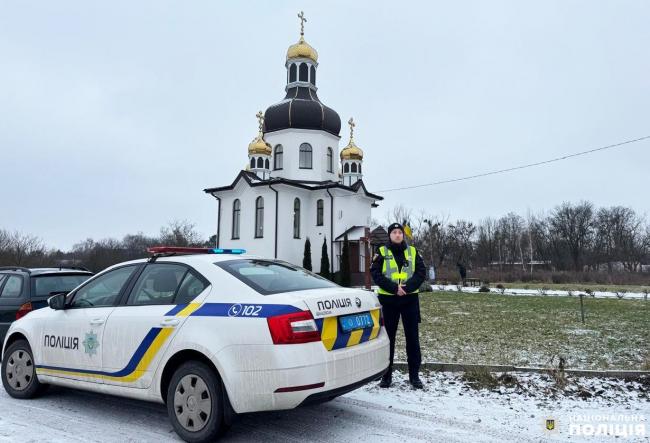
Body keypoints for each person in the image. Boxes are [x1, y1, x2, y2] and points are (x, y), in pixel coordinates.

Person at [370, 223, 426, 389]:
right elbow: (376, 273)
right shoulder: (381, 252)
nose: (397, 235)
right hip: (389, 301)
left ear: (403, 235)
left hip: (410, 300)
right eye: (394, 232)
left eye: (400, 232)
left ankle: (414, 376)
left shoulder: (413, 252)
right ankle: (386, 376)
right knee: (388, 340)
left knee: (413, 339)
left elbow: (420, 273)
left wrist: (407, 288)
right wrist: (394, 288)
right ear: (390, 235)